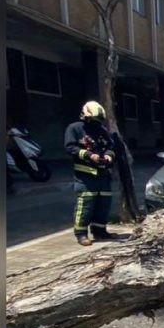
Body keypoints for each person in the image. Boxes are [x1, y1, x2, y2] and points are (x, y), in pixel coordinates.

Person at [64, 101, 121, 246]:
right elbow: (70, 147)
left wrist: (109, 155)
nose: (96, 123)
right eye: (93, 119)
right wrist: (89, 155)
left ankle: (100, 231)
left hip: (103, 175)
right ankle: (81, 234)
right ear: (85, 116)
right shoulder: (75, 129)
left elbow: (110, 147)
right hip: (85, 177)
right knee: (86, 205)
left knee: (103, 205)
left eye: (98, 120)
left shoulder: (102, 130)